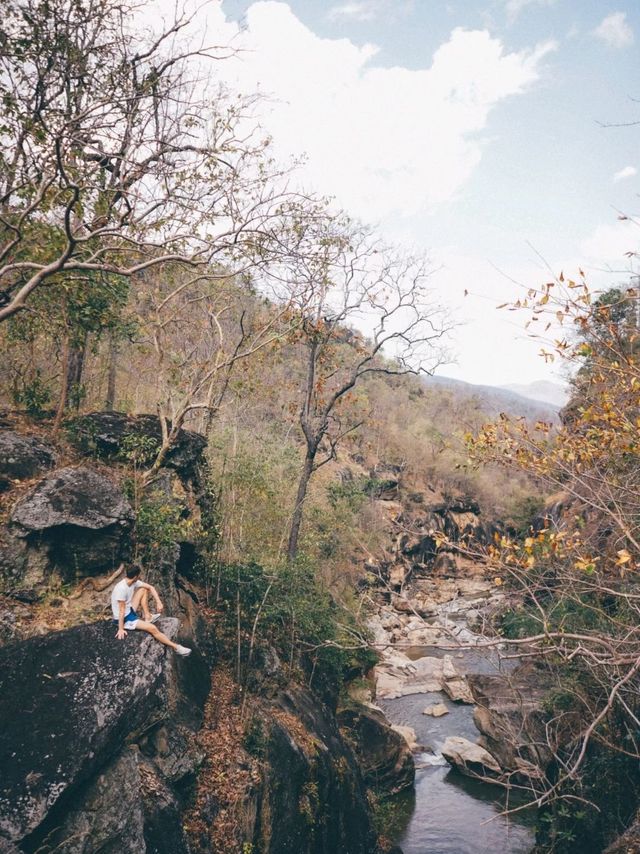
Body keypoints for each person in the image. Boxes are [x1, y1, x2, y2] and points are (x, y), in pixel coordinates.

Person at [111, 564, 191, 656]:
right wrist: (120, 629)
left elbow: (150, 587)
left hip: (128, 610)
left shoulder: (133, 582)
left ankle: (148, 616)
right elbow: (121, 610)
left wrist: (159, 602)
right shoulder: (121, 588)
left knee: (143, 589)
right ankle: (177, 648)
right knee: (152, 628)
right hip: (124, 619)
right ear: (136, 576)